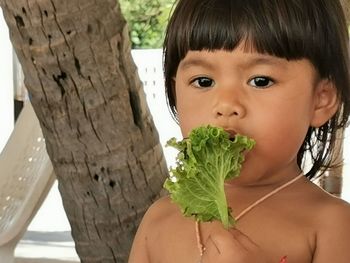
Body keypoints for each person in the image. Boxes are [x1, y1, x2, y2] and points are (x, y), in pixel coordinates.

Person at [128, 0, 350, 262]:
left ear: (320, 100)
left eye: (260, 81)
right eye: (203, 81)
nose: (226, 105)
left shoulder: (331, 224)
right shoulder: (158, 219)